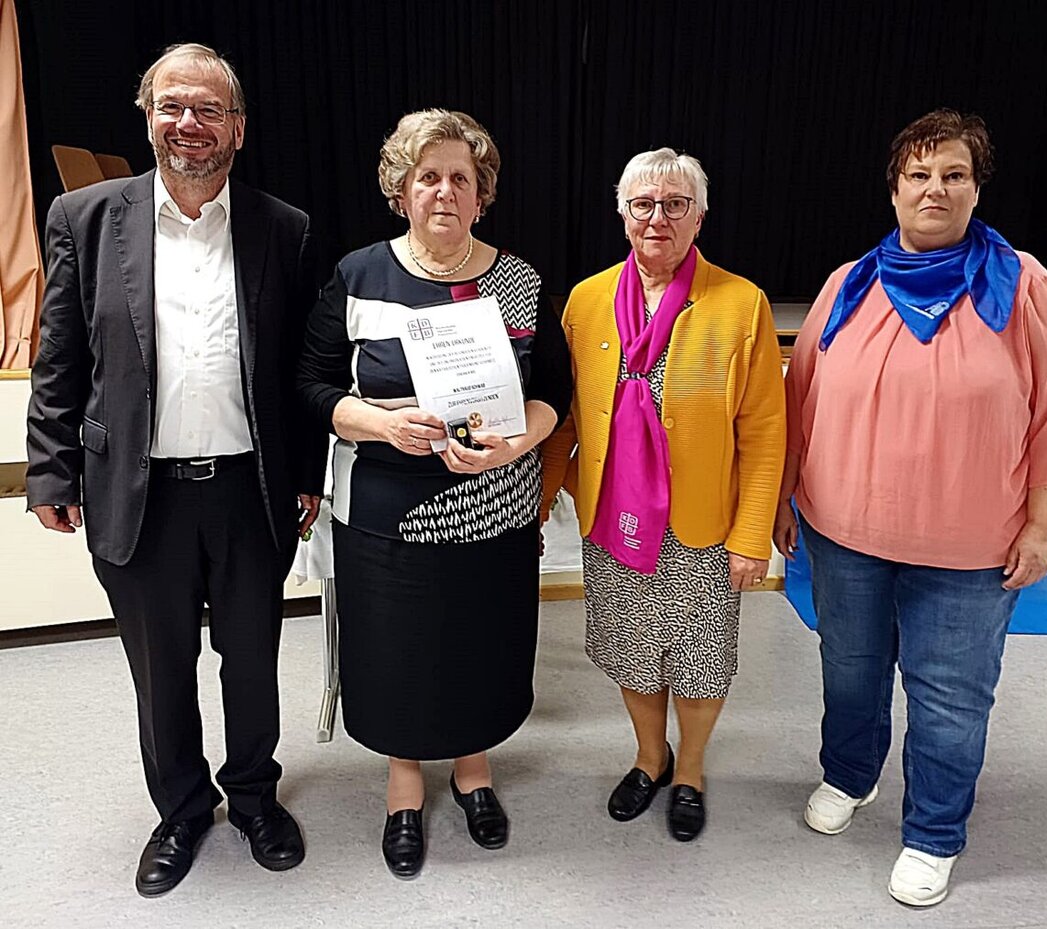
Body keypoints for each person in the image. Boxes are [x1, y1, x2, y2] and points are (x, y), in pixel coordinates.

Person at [25, 43, 326, 897]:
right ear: (148, 116)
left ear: (238, 128)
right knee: (160, 669)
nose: (190, 123)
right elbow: (60, 356)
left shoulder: (284, 227)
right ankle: (183, 810)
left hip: (248, 489)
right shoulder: (84, 217)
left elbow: (297, 370)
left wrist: (307, 470)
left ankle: (256, 797)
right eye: (172, 106)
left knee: (252, 660)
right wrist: (50, 469)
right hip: (139, 491)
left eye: (209, 109)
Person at [774, 109, 1047, 907]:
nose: (934, 189)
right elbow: (799, 402)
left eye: (954, 174)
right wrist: (782, 498)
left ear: (977, 189)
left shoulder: (1026, 287)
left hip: (970, 549)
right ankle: (851, 775)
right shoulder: (848, 284)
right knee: (850, 670)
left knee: (949, 694)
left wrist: (1045, 527)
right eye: (918, 174)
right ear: (895, 190)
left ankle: (934, 832)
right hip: (844, 532)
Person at [296, 108, 571, 880]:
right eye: (428, 177)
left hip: (492, 505)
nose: (444, 191)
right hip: (386, 509)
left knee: (482, 641)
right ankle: (404, 784)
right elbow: (312, 384)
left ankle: (473, 770)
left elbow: (555, 391)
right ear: (402, 190)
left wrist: (518, 442)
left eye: (461, 178)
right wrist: (380, 425)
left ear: (482, 194)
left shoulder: (518, 282)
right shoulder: (358, 276)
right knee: (396, 649)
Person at [540, 148, 786, 842]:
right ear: (622, 213)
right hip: (614, 520)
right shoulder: (586, 301)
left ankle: (692, 769)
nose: (658, 218)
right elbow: (566, 421)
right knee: (633, 651)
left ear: (699, 216)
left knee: (702, 661)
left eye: (676, 204)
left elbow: (765, 431)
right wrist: (540, 502)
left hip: (702, 525)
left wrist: (751, 535)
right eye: (643, 204)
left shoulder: (740, 303)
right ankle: (650, 758)